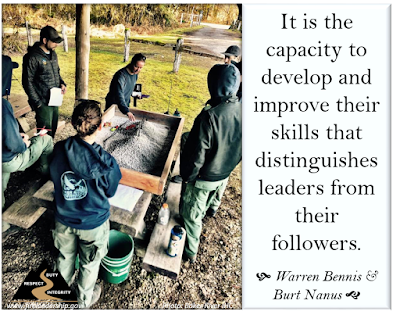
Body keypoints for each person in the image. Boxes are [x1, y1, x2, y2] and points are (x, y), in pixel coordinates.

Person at [49, 99, 121, 309]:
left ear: (73, 123)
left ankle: (60, 294)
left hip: (63, 218)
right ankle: (82, 301)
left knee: (64, 257)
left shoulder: (59, 149)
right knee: (89, 265)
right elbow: (111, 191)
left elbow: (54, 176)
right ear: (100, 127)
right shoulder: (105, 161)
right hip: (93, 225)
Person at [179, 63, 242, 262]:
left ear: (213, 84)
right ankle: (213, 207)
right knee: (214, 194)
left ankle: (190, 252)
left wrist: (188, 178)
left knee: (191, 215)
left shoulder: (209, 116)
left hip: (205, 176)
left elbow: (197, 153)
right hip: (226, 168)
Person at [1, 55, 54, 243]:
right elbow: (11, 142)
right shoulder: (3, 105)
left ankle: (2, 228)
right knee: (45, 140)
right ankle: (47, 179)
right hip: (8, 159)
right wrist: (23, 142)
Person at [22, 25, 67, 138]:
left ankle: (50, 151)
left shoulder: (53, 54)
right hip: (42, 102)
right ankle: (43, 154)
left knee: (53, 127)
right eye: (54, 41)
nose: (56, 44)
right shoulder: (32, 57)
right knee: (44, 133)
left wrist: (62, 83)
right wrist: (37, 103)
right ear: (45, 40)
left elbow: (57, 72)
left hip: (55, 99)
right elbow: (27, 81)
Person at [105, 53, 146, 121]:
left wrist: (136, 95)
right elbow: (119, 95)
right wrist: (126, 111)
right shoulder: (120, 76)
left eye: (140, 68)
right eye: (136, 66)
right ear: (132, 63)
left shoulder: (135, 74)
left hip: (125, 105)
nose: (138, 70)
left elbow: (130, 87)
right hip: (114, 106)